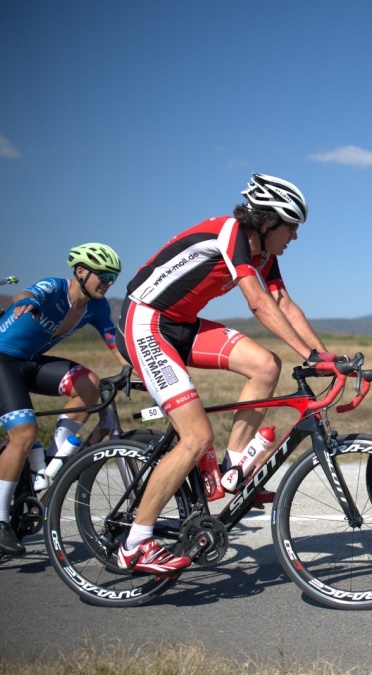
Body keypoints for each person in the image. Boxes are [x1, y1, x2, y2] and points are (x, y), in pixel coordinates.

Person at [115, 173, 334, 574]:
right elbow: (259, 304)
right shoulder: (231, 232)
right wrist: (308, 353)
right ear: (267, 223)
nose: (295, 238)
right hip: (145, 323)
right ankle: (135, 544)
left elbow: (282, 301)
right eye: (292, 228)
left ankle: (230, 471)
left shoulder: (266, 255)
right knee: (196, 436)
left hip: (181, 324)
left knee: (266, 365)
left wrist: (324, 356)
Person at [0, 243, 126, 555]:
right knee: (24, 432)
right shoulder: (56, 287)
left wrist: (135, 370)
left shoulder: (97, 308)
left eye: (114, 276)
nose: (109, 281)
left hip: (30, 361)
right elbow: (27, 293)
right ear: (81, 271)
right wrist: (27, 303)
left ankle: (48, 465)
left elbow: (116, 344)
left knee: (89, 384)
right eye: (104, 275)